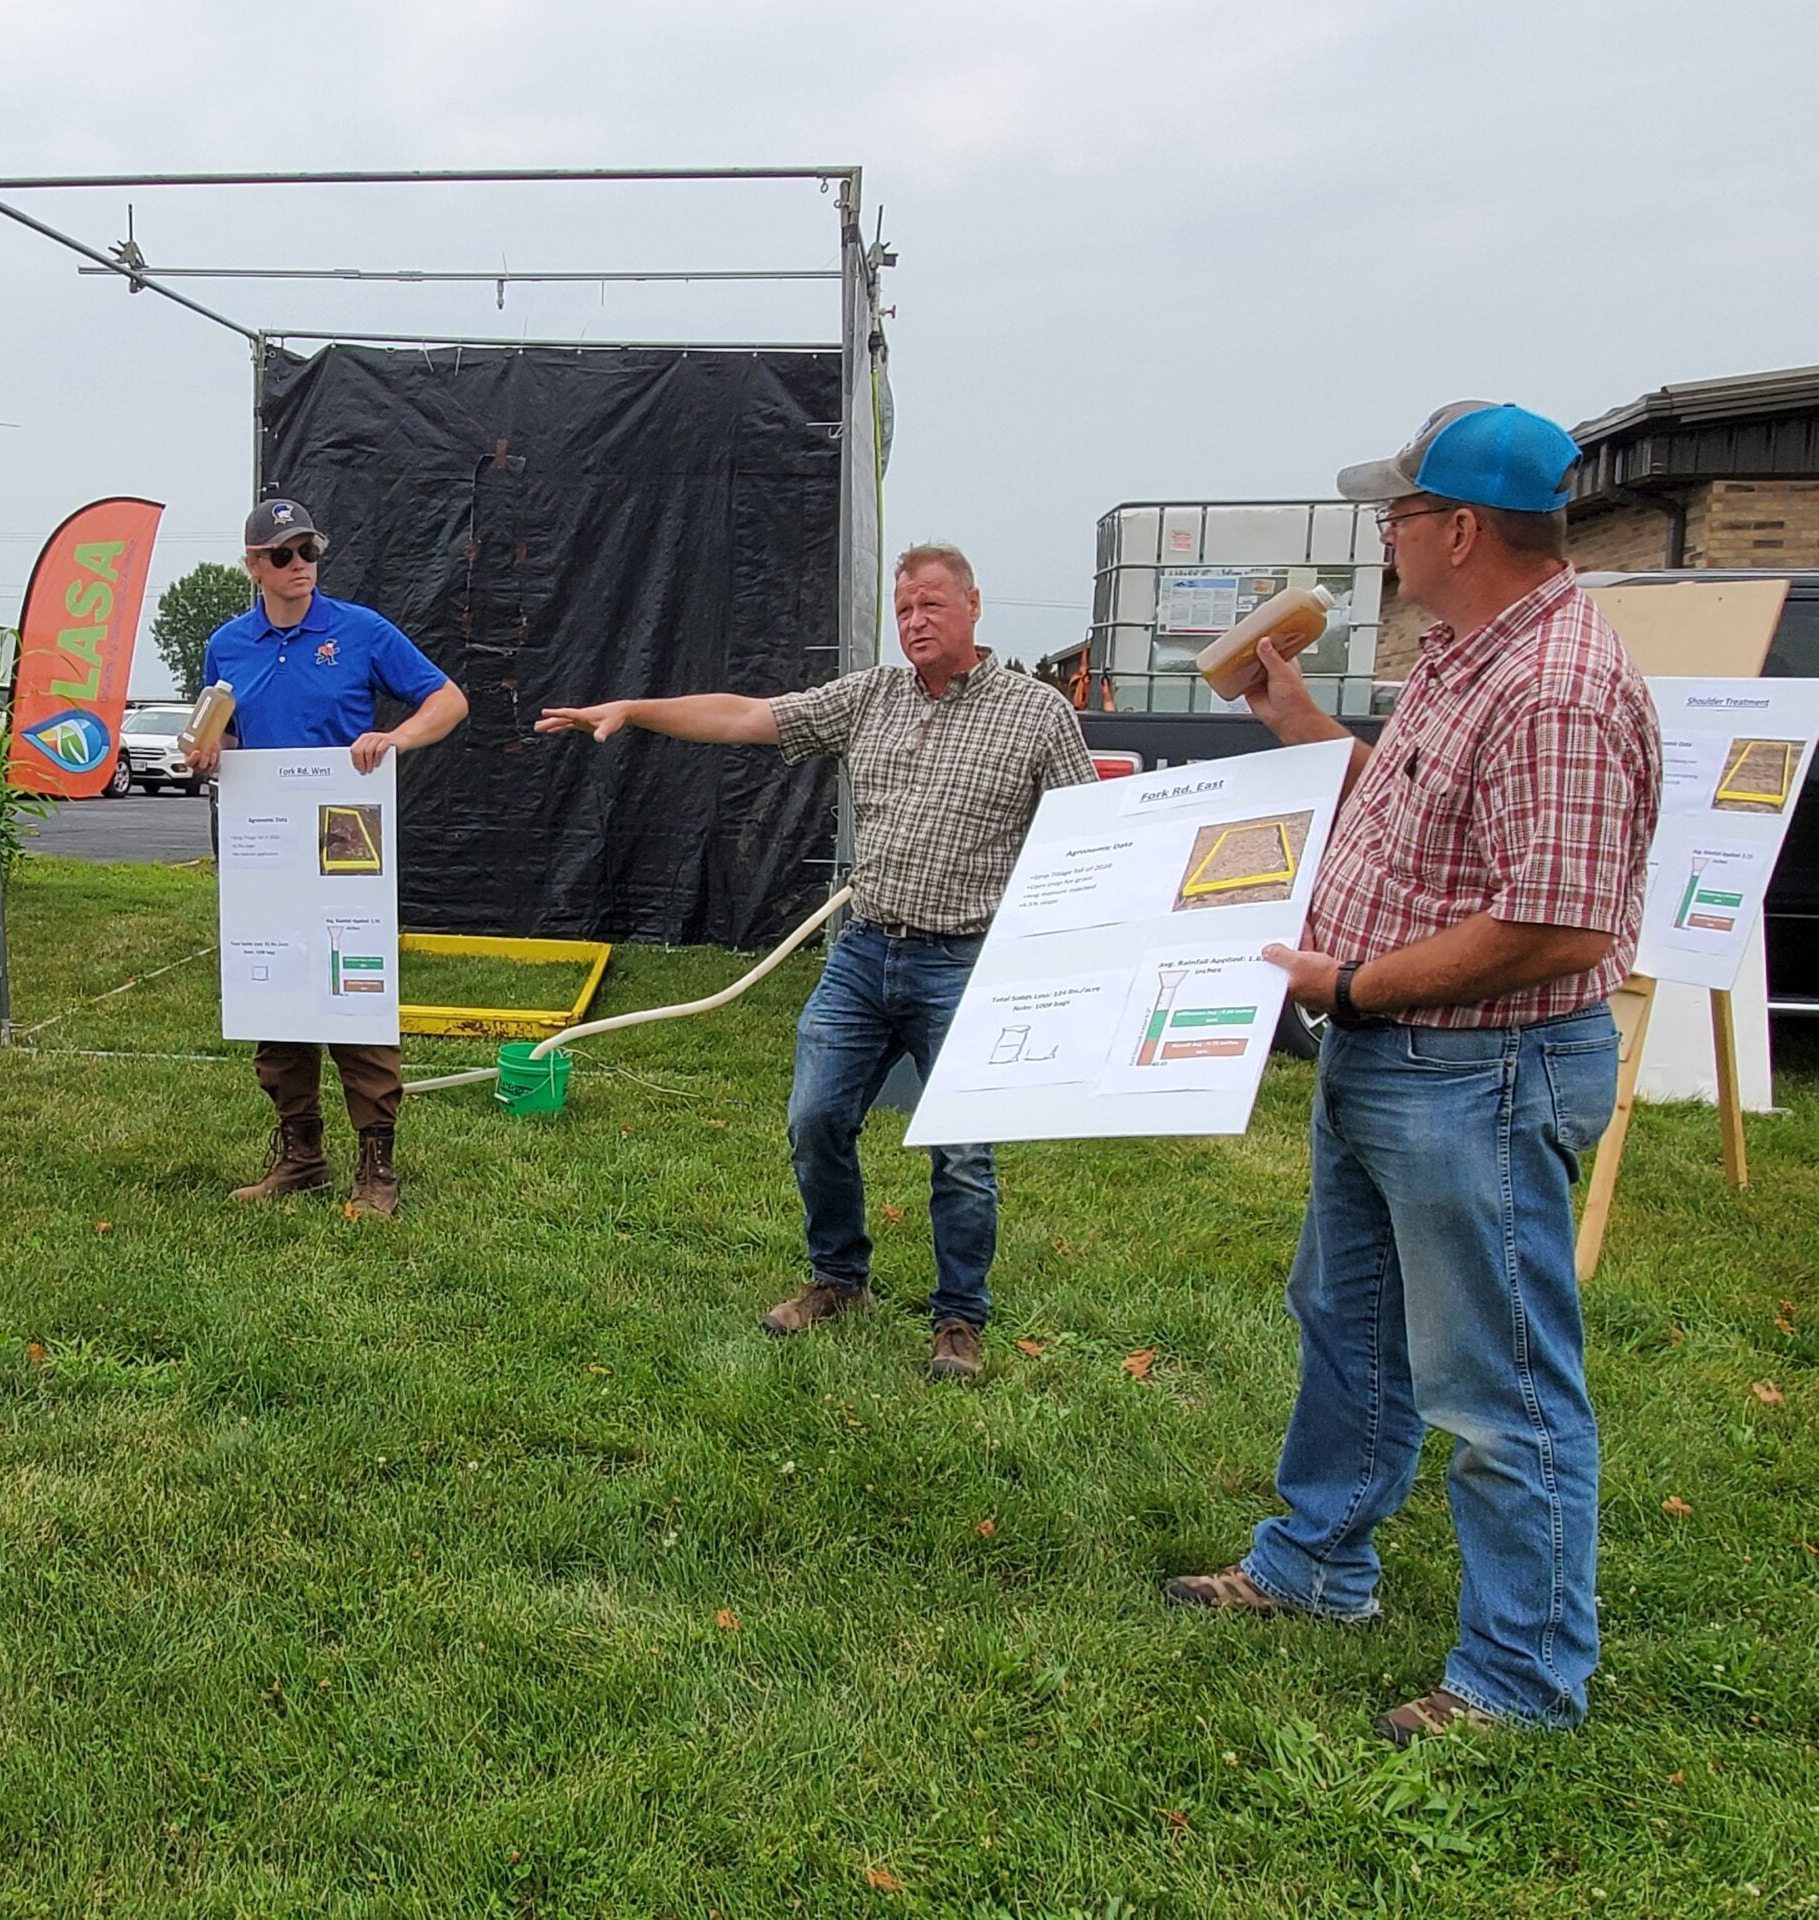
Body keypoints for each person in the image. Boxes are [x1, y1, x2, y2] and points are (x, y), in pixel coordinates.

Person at [1163, 403, 1661, 1747]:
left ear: (1460, 527)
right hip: (1396, 1063)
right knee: (1352, 1328)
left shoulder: (1556, 683)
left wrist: (1353, 986)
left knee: (1496, 1388)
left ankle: (1522, 1677)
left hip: (1478, 1076)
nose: (1381, 531)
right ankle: (1316, 1566)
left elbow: (1554, 919)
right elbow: (1410, 800)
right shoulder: (1466, 655)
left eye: (1397, 510)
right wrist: (1299, 721)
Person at [536, 544, 1095, 1381]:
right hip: (865, 952)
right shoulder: (870, 697)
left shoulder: (1038, 713)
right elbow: (744, 717)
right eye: (904, 610)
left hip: (965, 961)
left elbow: (1092, 826)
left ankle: (959, 1321)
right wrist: (634, 708)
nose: (915, 622)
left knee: (965, 1153)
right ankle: (840, 1280)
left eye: (932, 605)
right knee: (814, 1120)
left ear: (975, 606)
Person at [186, 498, 469, 1217]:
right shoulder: (228, 646)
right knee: (271, 976)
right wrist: (209, 755)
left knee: (355, 988)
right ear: (253, 565)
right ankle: (299, 1154)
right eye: (282, 555)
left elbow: (449, 700)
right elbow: (219, 738)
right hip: (266, 837)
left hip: (346, 831)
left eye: (308, 551)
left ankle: (377, 1165)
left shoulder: (360, 630)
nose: (300, 567)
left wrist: (397, 739)